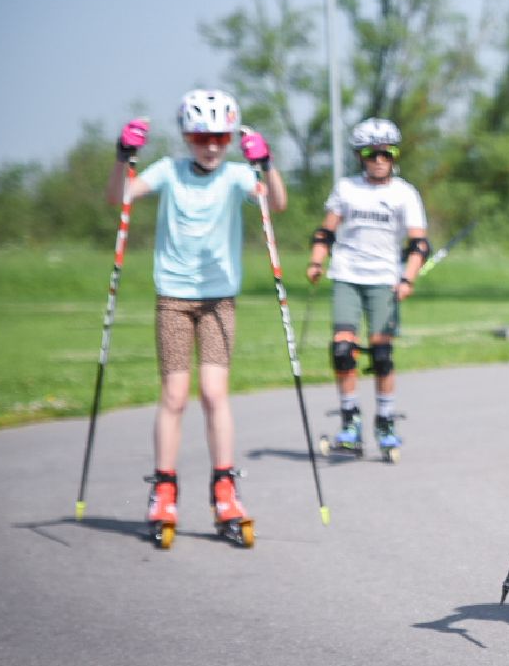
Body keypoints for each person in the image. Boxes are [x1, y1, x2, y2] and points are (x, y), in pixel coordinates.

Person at [107, 88, 286, 547]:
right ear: (187, 137)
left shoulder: (236, 176)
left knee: (213, 393)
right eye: (201, 137)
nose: (211, 146)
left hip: (219, 300)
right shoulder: (168, 170)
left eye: (220, 138)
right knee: (174, 395)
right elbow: (119, 197)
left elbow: (276, 203)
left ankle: (225, 489)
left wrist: (266, 164)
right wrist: (123, 156)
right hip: (174, 298)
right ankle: (164, 490)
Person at [306, 118, 428, 459]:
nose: (379, 160)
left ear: (395, 156)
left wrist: (408, 279)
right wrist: (316, 262)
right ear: (360, 156)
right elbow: (326, 232)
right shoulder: (346, 188)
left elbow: (419, 244)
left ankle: (385, 422)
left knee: (382, 353)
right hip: (347, 274)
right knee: (343, 349)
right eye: (371, 153)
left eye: (386, 153)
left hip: (384, 279)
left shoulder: (404, 193)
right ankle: (350, 422)